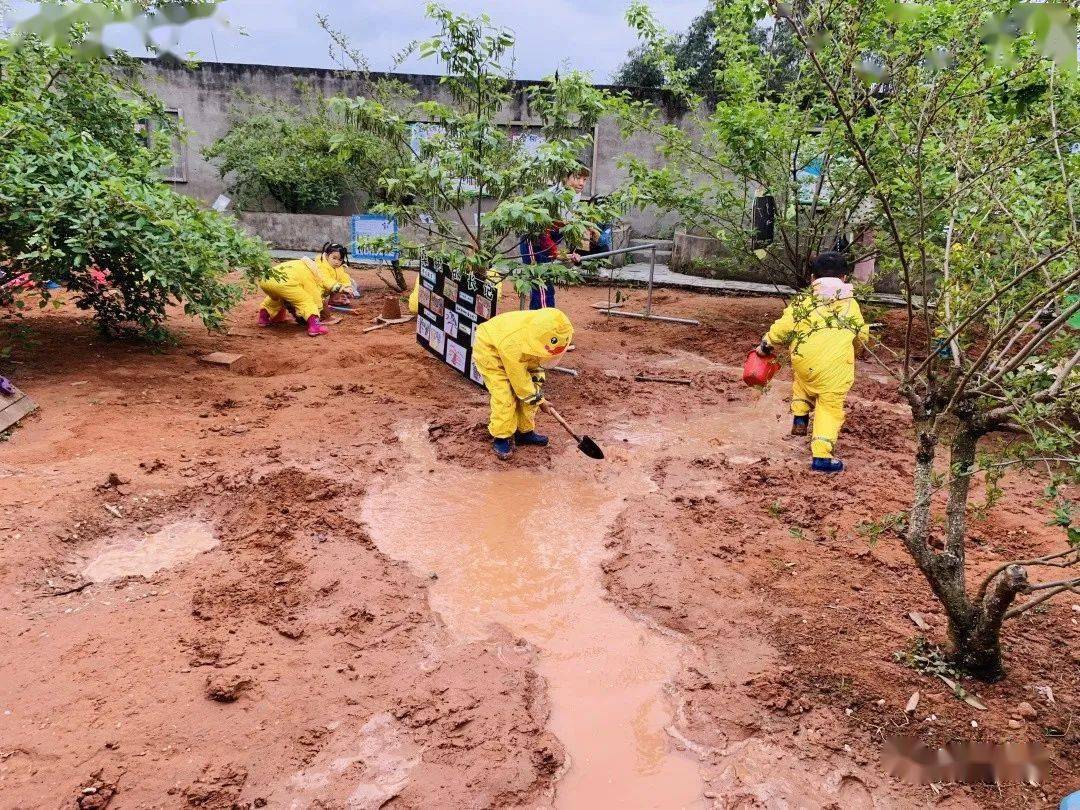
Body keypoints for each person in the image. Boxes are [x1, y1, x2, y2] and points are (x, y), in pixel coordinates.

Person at [755, 251, 869, 473]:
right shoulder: (850, 304)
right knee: (829, 407)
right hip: (834, 369)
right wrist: (855, 349)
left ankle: (800, 417)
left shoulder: (804, 301)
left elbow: (783, 327)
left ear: (812, 279)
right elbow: (861, 336)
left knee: (804, 380)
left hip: (804, 362)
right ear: (845, 278)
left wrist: (765, 345)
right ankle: (822, 457)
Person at [472, 308, 574, 460]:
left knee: (535, 383)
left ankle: (524, 432)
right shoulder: (512, 343)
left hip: (529, 348)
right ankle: (501, 437)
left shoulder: (549, 328)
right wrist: (541, 401)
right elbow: (519, 381)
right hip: (491, 349)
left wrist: (537, 397)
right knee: (505, 396)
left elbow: (530, 384)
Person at [520, 165, 590, 309]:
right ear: (565, 177)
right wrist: (558, 255)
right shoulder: (555, 197)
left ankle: (541, 324)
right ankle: (543, 325)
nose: (582, 183)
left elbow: (570, 227)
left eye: (584, 179)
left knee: (544, 286)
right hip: (535, 242)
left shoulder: (574, 196)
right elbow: (542, 233)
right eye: (577, 178)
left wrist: (574, 253)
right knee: (542, 287)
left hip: (548, 242)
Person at [257, 243, 354, 336]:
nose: (337, 262)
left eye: (340, 259)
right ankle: (315, 327)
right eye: (334, 258)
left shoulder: (310, 265)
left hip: (266, 279)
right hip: (284, 281)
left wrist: (346, 286)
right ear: (326, 255)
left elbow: (342, 277)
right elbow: (316, 295)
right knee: (307, 301)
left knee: (277, 297)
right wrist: (320, 310)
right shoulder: (314, 274)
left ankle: (263, 318)